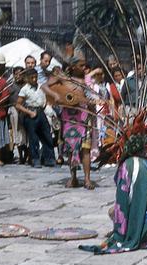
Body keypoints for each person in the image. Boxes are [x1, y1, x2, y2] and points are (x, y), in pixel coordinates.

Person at [57, 57, 95, 189]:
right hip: (69, 119)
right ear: (73, 67)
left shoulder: (87, 82)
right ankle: (73, 177)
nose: (84, 68)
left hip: (84, 119)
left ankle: (87, 178)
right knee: (71, 148)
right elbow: (58, 98)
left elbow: (93, 99)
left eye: (85, 65)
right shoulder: (64, 82)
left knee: (85, 149)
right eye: (81, 65)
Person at [16, 68, 56, 168]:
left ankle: (49, 158)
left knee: (47, 135)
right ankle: (35, 159)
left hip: (41, 111)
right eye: (31, 77)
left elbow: (45, 100)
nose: (34, 79)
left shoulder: (41, 87)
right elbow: (18, 105)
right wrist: (28, 112)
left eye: (35, 77)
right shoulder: (24, 89)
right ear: (27, 78)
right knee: (33, 138)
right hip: (31, 112)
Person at [8, 66, 28, 164]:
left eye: (21, 73)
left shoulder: (27, 86)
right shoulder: (11, 86)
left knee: (26, 135)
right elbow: (9, 100)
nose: (18, 76)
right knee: (19, 135)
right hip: (15, 112)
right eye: (16, 74)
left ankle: (27, 155)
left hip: (26, 112)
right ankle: (20, 156)